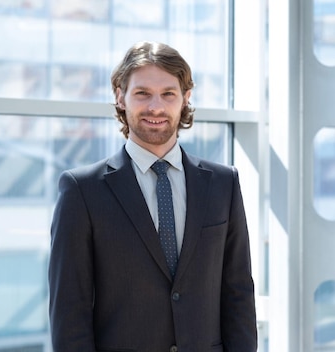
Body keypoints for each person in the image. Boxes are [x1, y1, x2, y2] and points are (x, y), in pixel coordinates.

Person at [48, 41, 257, 351]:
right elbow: (69, 312)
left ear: (186, 98)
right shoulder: (82, 191)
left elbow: (238, 292)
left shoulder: (223, 184)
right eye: (142, 93)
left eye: (168, 94)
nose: (156, 107)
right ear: (120, 97)